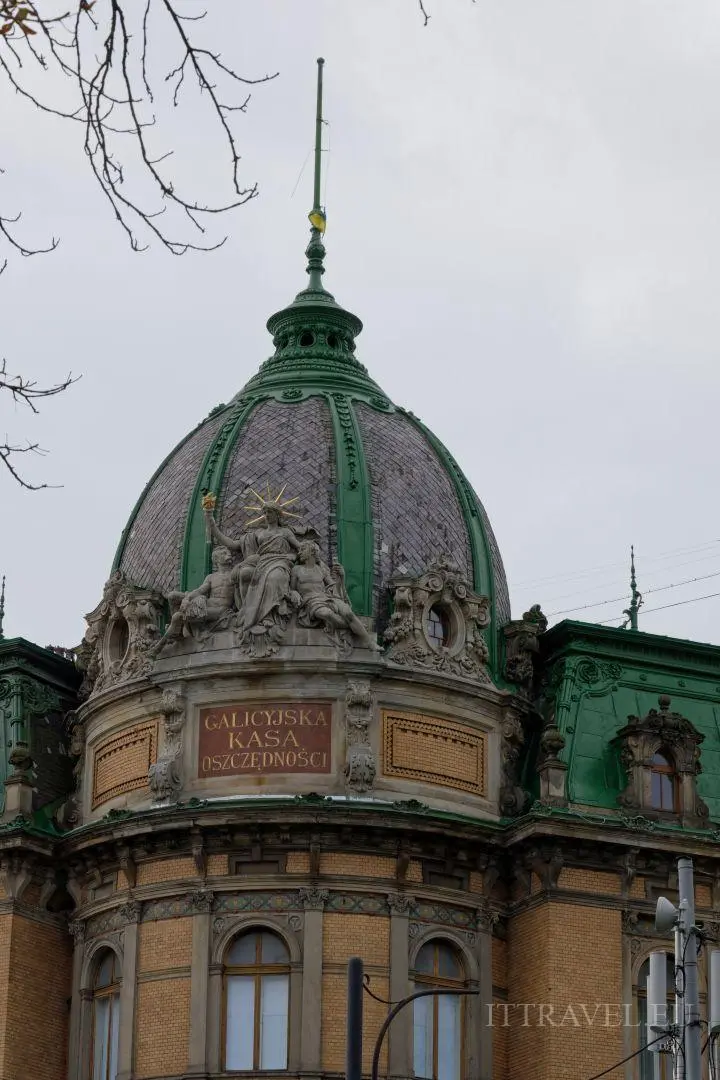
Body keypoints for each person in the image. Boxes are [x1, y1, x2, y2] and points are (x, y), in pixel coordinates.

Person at [291, 541, 380, 651]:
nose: (299, 552)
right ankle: (357, 626)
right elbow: (291, 588)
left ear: (312, 552)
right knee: (326, 613)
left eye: (303, 549)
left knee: (348, 613)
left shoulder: (321, 570)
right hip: (310, 602)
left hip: (327, 598)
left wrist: (342, 577)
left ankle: (370, 643)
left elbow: (334, 588)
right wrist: (293, 592)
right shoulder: (297, 570)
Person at [151, 546, 235, 655]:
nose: (228, 555)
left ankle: (160, 645)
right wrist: (187, 598)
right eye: (224, 553)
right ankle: (179, 631)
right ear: (216, 559)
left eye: (228, 552)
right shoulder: (211, 577)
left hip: (221, 610)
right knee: (172, 596)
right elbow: (200, 590)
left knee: (178, 617)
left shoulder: (234, 574)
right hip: (207, 605)